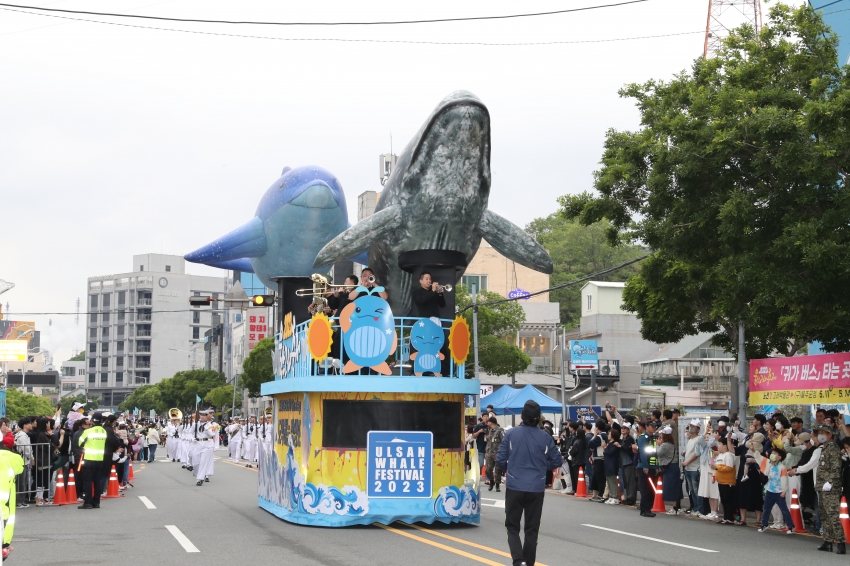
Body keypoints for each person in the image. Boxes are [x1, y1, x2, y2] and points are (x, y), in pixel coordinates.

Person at [496, 400, 562, 566]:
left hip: (514, 484)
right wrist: (542, 468)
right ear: (539, 418)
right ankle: (529, 562)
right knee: (532, 530)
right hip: (536, 487)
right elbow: (556, 460)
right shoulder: (545, 437)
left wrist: (508, 471)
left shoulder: (511, 434)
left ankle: (519, 561)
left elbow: (500, 459)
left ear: (521, 416)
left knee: (512, 526)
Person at [813, 424, 845, 553]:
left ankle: (841, 543)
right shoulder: (824, 448)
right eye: (819, 432)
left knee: (833, 516)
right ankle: (828, 541)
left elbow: (836, 468)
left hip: (830, 487)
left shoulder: (832, 448)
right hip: (822, 487)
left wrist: (830, 482)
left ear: (829, 435)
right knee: (824, 515)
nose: (820, 435)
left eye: (823, 433)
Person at [757, 446, 795, 534]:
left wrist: (784, 490)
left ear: (779, 457)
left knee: (784, 509)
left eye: (775, 454)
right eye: (772, 453)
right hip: (769, 491)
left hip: (778, 492)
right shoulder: (769, 464)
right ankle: (764, 524)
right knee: (766, 509)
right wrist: (753, 450)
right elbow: (759, 458)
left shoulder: (782, 467)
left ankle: (791, 526)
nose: (772, 455)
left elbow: (784, 479)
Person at [77, 412, 109, 509]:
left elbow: (80, 443)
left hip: (89, 459)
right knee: (97, 482)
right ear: (102, 420)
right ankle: (96, 502)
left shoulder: (88, 431)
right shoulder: (104, 432)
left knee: (87, 481)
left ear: (92, 420)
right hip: (99, 459)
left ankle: (88, 502)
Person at [636, 420, 659, 518]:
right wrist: (645, 465)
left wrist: (657, 466)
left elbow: (655, 452)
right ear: (647, 426)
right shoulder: (643, 438)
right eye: (652, 426)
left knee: (650, 488)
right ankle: (645, 509)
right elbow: (643, 453)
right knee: (646, 488)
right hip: (645, 467)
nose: (654, 428)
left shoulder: (654, 438)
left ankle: (646, 508)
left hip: (653, 466)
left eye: (655, 426)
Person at [657, 426, 682, 514]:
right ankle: (676, 507)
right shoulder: (671, 443)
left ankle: (674, 508)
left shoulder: (665, 445)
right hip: (673, 467)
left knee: (671, 488)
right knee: (674, 487)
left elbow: (658, 453)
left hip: (669, 467)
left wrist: (658, 445)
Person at [713, 433, 737, 524]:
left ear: (725, 446)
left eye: (720, 444)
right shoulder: (720, 455)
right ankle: (725, 517)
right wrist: (714, 475)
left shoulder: (729, 455)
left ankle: (730, 518)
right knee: (724, 500)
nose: (718, 446)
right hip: (721, 481)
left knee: (728, 500)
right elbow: (716, 467)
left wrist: (717, 467)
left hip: (728, 481)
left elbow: (729, 467)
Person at [682, 419, 703, 515]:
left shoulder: (699, 439)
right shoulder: (690, 439)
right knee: (691, 490)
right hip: (688, 469)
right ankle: (695, 508)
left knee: (696, 490)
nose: (691, 428)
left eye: (693, 426)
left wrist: (687, 462)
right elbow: (691, 452)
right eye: (690, 426)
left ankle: (699, 508)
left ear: (698, 429)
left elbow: (696, 454)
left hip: (695, 468)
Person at [192, 410, 218, 486]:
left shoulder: (211, 425)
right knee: (196, 463)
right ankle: (198, 474)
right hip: (197, 444)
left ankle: (200, 479)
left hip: (207, 444)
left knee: (203, 462)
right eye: (201, 415)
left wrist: (207, 429)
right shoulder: (195, 424)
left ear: (207, 416)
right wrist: (191, 438)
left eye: (204, 415)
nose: (202, 417)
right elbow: (191, 433)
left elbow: (212, 434)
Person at [485, 417, 505, 492]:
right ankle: (491, 481)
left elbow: (503, 441)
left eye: (488, 422)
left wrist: (502, 452)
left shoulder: (500, 430)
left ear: (492, 422)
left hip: (498, 453)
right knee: (488, 469)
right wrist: (487, 451)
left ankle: (497, 485)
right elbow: (489, 442)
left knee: (497, 470)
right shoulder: (490, 430)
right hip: (490, 453)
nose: (487, 423)